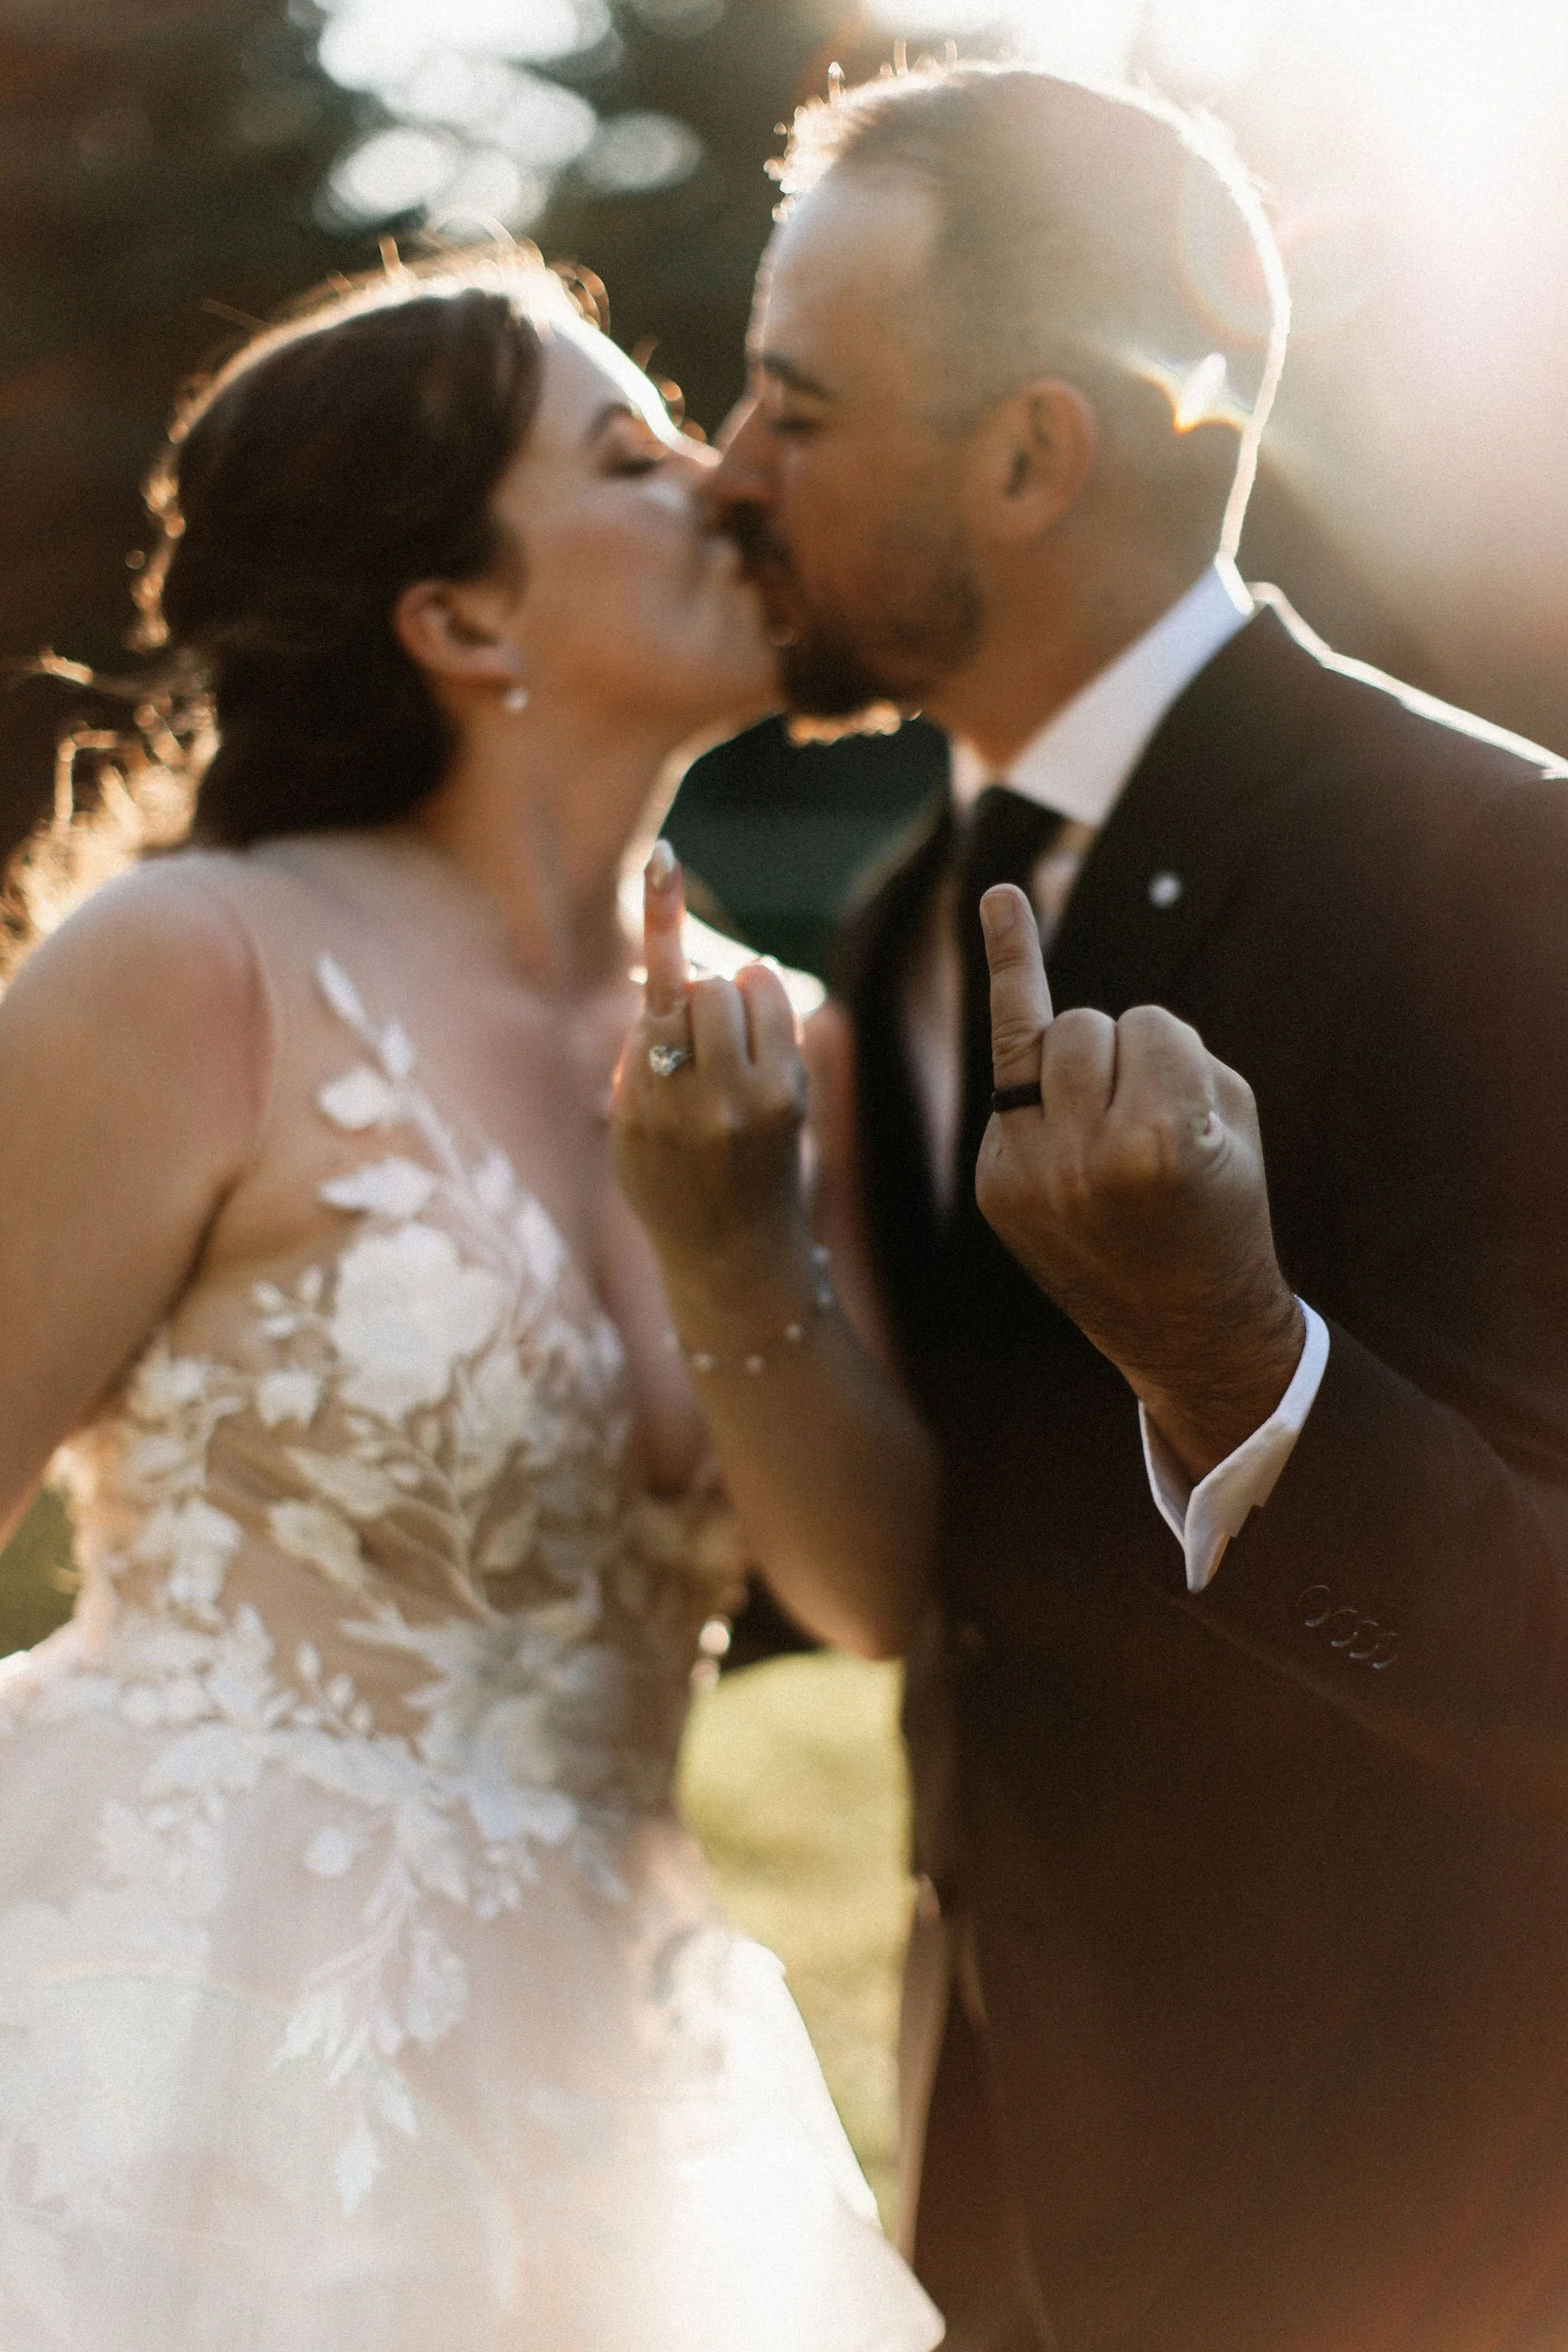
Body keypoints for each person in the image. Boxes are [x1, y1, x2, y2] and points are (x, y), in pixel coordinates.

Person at [614, 61, 1568, 2352]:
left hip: (1401, 2232)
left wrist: (1242, 1366)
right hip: (1008, 2185)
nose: (727, 472)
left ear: (1034, 455)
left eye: (794, 407)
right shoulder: (910, 912)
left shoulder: (1496, 874)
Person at [0, 253, 943, 2352]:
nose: (722, 483)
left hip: (603, 2096)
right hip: (160, 2026)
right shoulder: (197, 969)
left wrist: (735, 1244)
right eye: (630, 454)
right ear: (460, 619)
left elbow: (871, 1588)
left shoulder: (782, 1048)